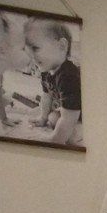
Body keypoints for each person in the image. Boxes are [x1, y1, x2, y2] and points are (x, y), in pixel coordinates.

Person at [25, 18, 81, 147]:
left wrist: (55, 139)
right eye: (28, 50)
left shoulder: (68, 75)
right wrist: (42, 117)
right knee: (52, 118)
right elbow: (47, 95)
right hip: (66, 109)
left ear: (61, 46)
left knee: (72, 135)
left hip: (82, 114)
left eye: (36, 48)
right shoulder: (46, 70)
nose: (31, 56)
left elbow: (70, 116)